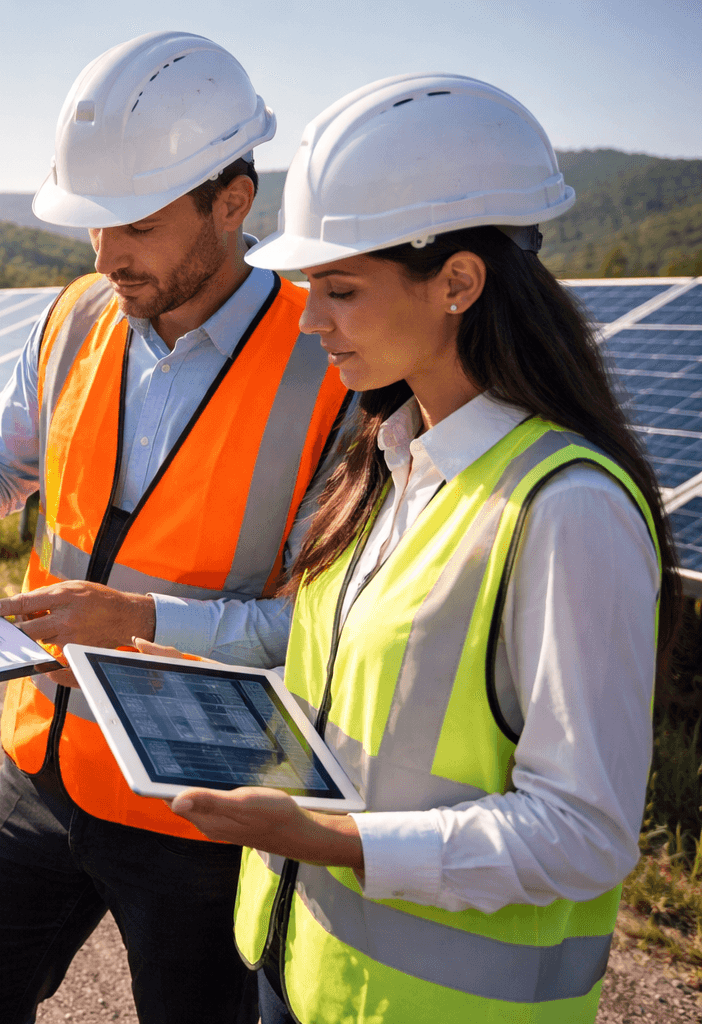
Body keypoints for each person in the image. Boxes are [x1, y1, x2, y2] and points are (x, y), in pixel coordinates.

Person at [0, 32, 349, 1024]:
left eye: (135, 225)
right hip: (48, 763)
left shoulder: (331, 361)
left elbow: (324, 627)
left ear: (233, 202)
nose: (107, 256)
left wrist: (142, 621)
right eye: (91, 228)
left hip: (209, 804)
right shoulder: (75, 314)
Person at [156, 73, 679, 1024]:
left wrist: (338, 841)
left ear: (459, 283)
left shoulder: (565, 512)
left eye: (342, 291)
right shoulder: (389, 460)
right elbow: (345, 672)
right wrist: (165, 663)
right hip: (299, 969)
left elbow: (584, 835)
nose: (311, 323)